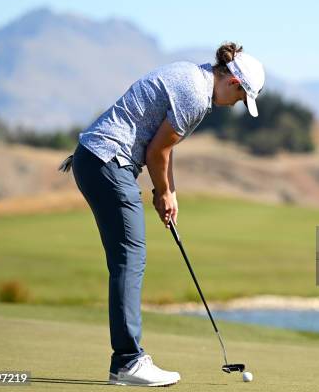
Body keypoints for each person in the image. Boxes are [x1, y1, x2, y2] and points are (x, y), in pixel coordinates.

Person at [58, 42, 265, 387]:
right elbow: (158, 151)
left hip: (98, 160)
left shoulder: (193, 76)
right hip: (109, 162)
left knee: (128, 259)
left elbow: (162, 148)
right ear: (233, 83)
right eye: (242, 98)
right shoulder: (196, 96)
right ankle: (127, 362)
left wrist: (168, 192)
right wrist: (163, 192)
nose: (236, 106)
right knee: (130, 259)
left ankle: (125, 360)